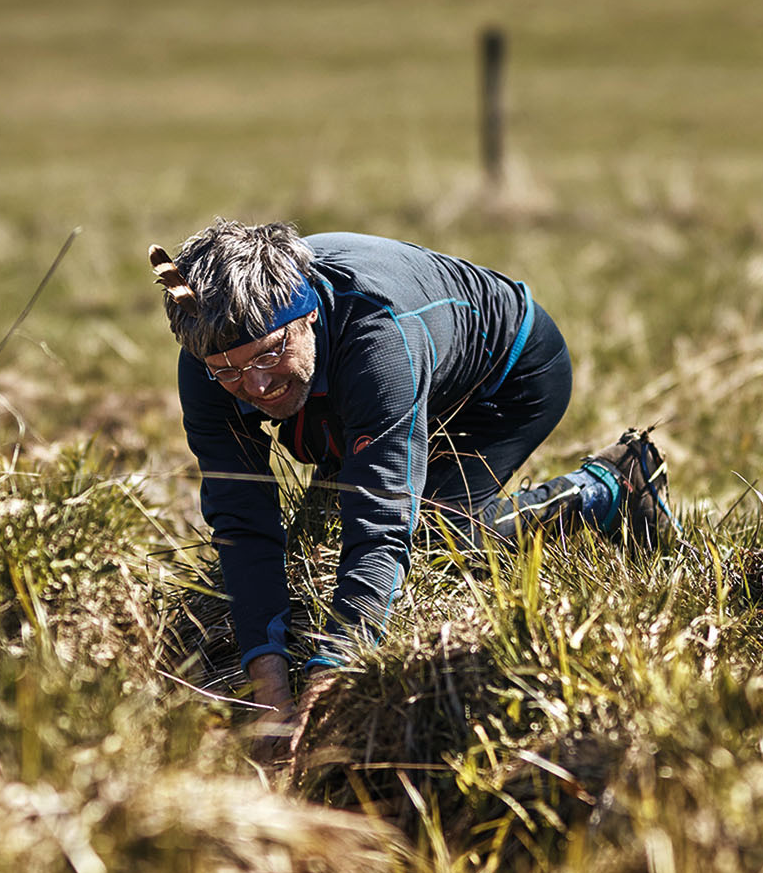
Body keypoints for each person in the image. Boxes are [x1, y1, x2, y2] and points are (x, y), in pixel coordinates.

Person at [152, 220, 672, 725]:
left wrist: (327, 686)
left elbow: (381, 526)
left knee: (431, 537)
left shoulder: (377, 341)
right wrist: (269, 695)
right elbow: (242, 521)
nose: (258, 385)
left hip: (506, 377)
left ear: (306, 316)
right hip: (348, 380)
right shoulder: (208, 354)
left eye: (269, 354)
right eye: (230, 372)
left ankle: (610, 487)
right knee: (327, 528)